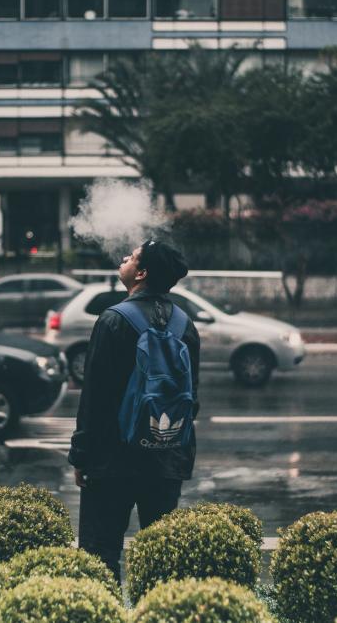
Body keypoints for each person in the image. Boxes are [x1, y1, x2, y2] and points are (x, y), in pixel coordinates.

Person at [68, 239, 200, 583]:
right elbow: (192, 400)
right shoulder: (185, 326)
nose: (124, 258)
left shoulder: (113, 321)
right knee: (161, 561)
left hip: (113, 462)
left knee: (100, 557)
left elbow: (95, 400)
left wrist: (81, 457)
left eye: (132, 257)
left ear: (140, 273)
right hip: (165, 458)